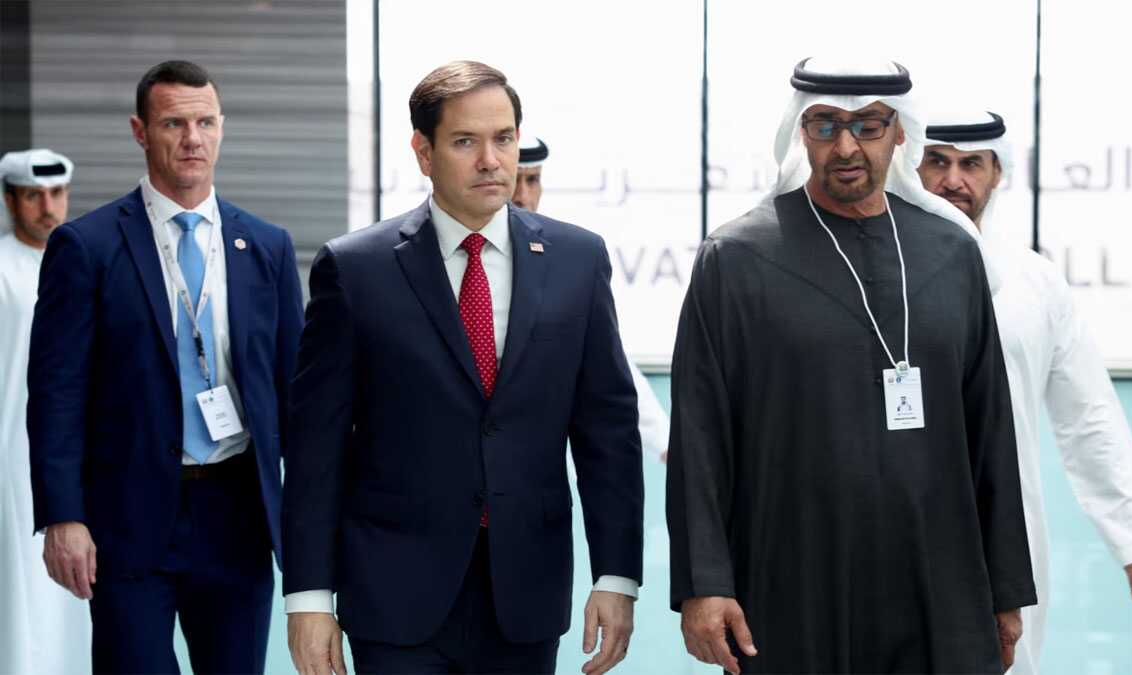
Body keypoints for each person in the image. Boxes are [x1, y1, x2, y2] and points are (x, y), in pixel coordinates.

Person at [666, 56, 1037, 674]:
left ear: (899, 133)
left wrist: (1005, 590)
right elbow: (701, 438)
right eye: (824, 125)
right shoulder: (736, 259)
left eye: (867, 125)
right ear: (798, 132)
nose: (845, 146)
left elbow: (991, 433)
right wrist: (705, 584)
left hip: (939, 584)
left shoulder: (951, 254)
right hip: (792, 581)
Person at [283, 61, 644, 675]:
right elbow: (317, 447)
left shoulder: (577, 261)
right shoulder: (355, 270)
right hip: (395, 598)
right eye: (464, 141)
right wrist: (309, 598)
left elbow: (606, 430)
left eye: (503, 138)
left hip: (525, 594)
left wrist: (617, 575)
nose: (491, 160)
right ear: (423, 152)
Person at [26, 60, 304, 674]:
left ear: (222, 128)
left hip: (238, 517)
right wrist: (63, 515)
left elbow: (295, 394)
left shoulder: (266, 247)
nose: (192, 138)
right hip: (129, 519)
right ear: (140, 130)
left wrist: (312, 516)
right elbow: (56, 392)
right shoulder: (88, 247)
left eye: (205, 122)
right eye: (174, 123)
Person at [918, 109, 1132, 675]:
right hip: (894, 524)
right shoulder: (870, 270)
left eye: (970, 164)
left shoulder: (1035, 282)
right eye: (936, 161)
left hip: (1004, 534)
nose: (952, 179)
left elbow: (1089, 416)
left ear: (997, 174)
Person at [513, 132, 671, 461]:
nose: (522, 197)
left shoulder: (564, 262)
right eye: (514, 180)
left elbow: (608, 360)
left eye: (533, 180)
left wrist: (666, 441)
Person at [0, 148, 92, 674]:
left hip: (73, 459)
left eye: (56, 194)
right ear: (12, 200)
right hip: (10, 456)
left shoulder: (84, 262)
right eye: (33, 195)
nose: (47, 207)